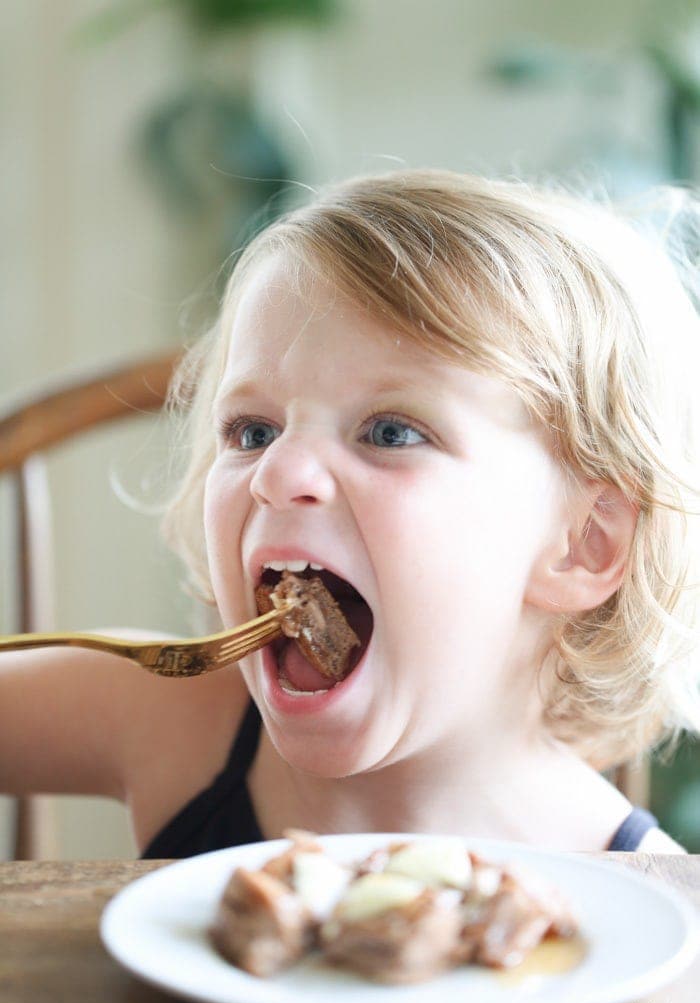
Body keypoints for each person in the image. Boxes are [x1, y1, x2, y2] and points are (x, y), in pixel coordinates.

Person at [2, 170, 699, 857]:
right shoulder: (168, 720)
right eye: (253, 432)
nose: (279, 473)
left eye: (391, 432)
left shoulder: (649, 897)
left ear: (584, 543)